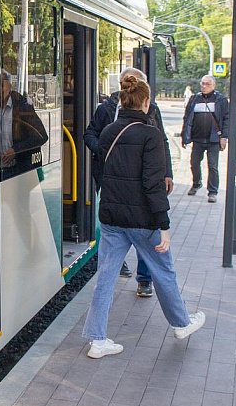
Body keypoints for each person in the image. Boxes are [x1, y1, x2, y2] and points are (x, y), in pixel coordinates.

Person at [83, 74, 205, 359]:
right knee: (164, 272)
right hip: (142, 219)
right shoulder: (151, 135)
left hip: (111, 217)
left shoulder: (108, 132)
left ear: (123, 100)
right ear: (146, 102)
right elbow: (152, 184)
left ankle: (97, 341)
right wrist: (164, 225)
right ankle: (181, 324)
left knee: (105, 278)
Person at [84, 67, 173, 297]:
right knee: (139, 232)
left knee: (139, 232)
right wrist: (103, 151)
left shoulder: (152, 111)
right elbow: (90, 134)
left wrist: (168, 173)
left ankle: (144, 279)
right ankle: (122, 263)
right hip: (113, 181)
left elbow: (162, 142)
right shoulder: (106, 108)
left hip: (140, 184)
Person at [181, 75, 230, 203]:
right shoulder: (194, 99)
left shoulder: (221, 100)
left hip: (213, 139)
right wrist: (184, 136)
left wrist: (224, 137)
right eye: (202, 83)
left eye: (207, 84)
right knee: (194, 163)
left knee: (212, 166)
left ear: (213, 85)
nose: (204, 86)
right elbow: (187, 118)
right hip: (197, 138)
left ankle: (212, 192)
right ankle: (197, 183)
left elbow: (226, 119)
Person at [0, 70, 48, 178]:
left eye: (1, 85)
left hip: (19, 170)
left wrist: (16, 150)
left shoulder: (22, 107)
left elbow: (41, 136)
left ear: (10, 86)